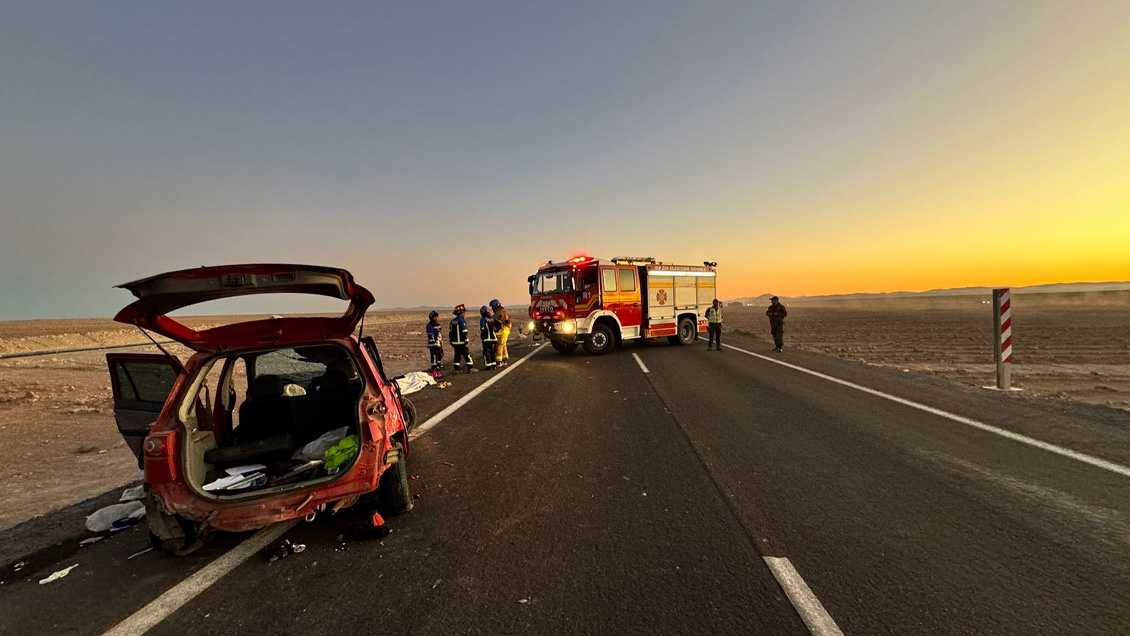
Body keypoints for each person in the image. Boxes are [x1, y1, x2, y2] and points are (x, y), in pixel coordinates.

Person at [449, 305, 476, 373]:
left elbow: (450, 333)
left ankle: (456, 369)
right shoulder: (461, 321)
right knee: (467, 355)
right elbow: (464, 331)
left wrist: (451, 341)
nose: (464, 314)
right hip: (462, 342)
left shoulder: (452, 322)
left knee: (457, 356)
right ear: (461, 313)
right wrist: (466, 340)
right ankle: (470, 368)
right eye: (463, 313)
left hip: (455, 343)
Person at [490, 299, 511, 366]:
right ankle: (505, 359)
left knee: (499, 345)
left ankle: (499, 361)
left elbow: (497, 320)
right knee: (503, 345)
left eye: (493, 307)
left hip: (503, 330)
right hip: (505, 330)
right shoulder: (501, 311)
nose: (492, 308)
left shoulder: (500, 312)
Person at [426, 310, 444, 378]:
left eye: (437, 317)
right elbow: (431, 334)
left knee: (440, 354)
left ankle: (439, 365)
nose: (437, 318)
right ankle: (434, 367)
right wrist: (434, 342)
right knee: (434, 355)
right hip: (433, 344)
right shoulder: (430, 325)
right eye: (435, 317)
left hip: (438, 343)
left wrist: (440, 342)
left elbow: (439, 334)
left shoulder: (438, 324)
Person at [479, 305, 499, 370]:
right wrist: (496, 330)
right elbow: (499, 325)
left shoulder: (483, 319)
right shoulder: (492, 318)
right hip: (493, 338)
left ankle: (489, 366)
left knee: (487, 353)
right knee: (493, 352)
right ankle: (494, 365)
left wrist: (483, 333)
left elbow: (482, 327)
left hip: (486, 339)